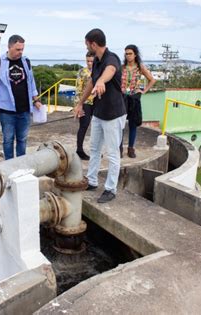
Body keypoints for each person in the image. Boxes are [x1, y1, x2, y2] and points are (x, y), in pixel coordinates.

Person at [73, 28, 126, 203]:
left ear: (93, 43)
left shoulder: (112, 59)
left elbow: (109, 71)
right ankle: (92, 181)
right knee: (94, 149)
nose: (86, 46)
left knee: (112, 153)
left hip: (113, 114)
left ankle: (111, 189)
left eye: (87, 43)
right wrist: (81, 103)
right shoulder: (96, 60)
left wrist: (102, 81)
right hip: (99, 112)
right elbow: (91, 82)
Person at [0, 34, 42, 160]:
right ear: (9, 47)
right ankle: (9, 165)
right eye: (17, 49)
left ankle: (21, 164)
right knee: (8, 140)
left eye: (22, 49)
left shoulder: (26, 61)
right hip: (7, 111)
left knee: (22, 139)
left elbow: (31, 82)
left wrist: (36, 100)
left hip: (25, 109)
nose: (20, 52)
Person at [120, 44, 156, 158]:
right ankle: (119, 148)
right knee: (120, 124)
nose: (128, 56)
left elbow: (152, 80)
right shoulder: (122, 67)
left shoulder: (140, 67)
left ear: (135, 54)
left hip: (134, 97)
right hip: (122, 97)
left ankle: (131, 148)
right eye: (126, 53)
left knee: (133, 124)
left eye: (130, 53)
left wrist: (143, 91)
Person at [74, 51, 95, 160]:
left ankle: (95, 151)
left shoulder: (100, 70)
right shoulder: (82, 72)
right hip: (86, 102)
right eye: (88, 61)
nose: (90, 63)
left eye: (92, 61)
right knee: (84, 126)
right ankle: (79, 150)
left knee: (97, 128)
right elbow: (78, 89)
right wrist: (78, 105)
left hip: (98, 102)